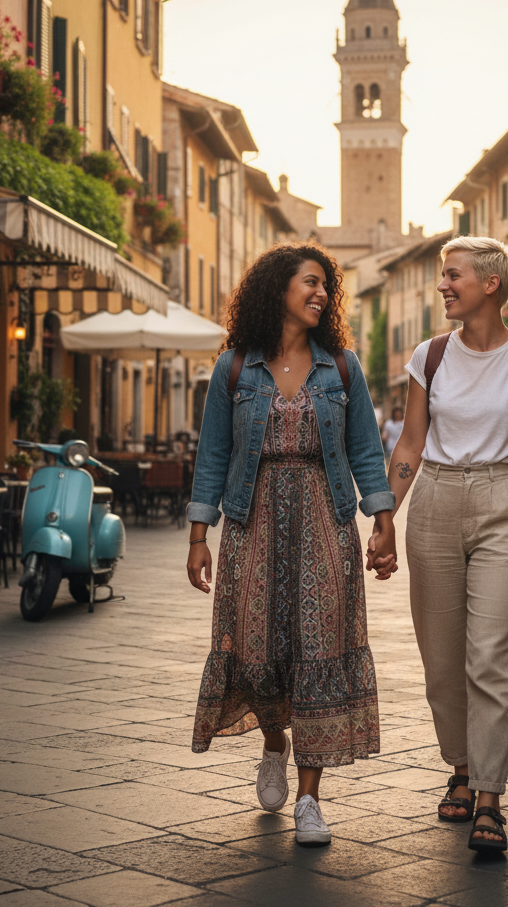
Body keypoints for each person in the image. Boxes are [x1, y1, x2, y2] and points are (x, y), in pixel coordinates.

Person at [186, 242, 397, 849]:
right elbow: (214, 456)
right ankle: (273, 742)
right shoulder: (233, 368)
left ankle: (310, 798)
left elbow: (364, 451)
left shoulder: (343, 367)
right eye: (311, 282)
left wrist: (380, 518)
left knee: (320, 650)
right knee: (257, 650)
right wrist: (200, 535)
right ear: (278, 287)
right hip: (251, 524)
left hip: (324, 522)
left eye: (327, 286)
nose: (321, 294)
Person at [370, 235, 508, 853]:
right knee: (440, 659)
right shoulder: (429, 357)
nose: (442, 286)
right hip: (433, 501)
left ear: (490, 284)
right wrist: (383, 518)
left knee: (490, 654)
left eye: (452, 275)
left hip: (505, 504)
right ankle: (459, 766)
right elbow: (408, 446)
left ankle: (488, 795)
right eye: (441, 275)